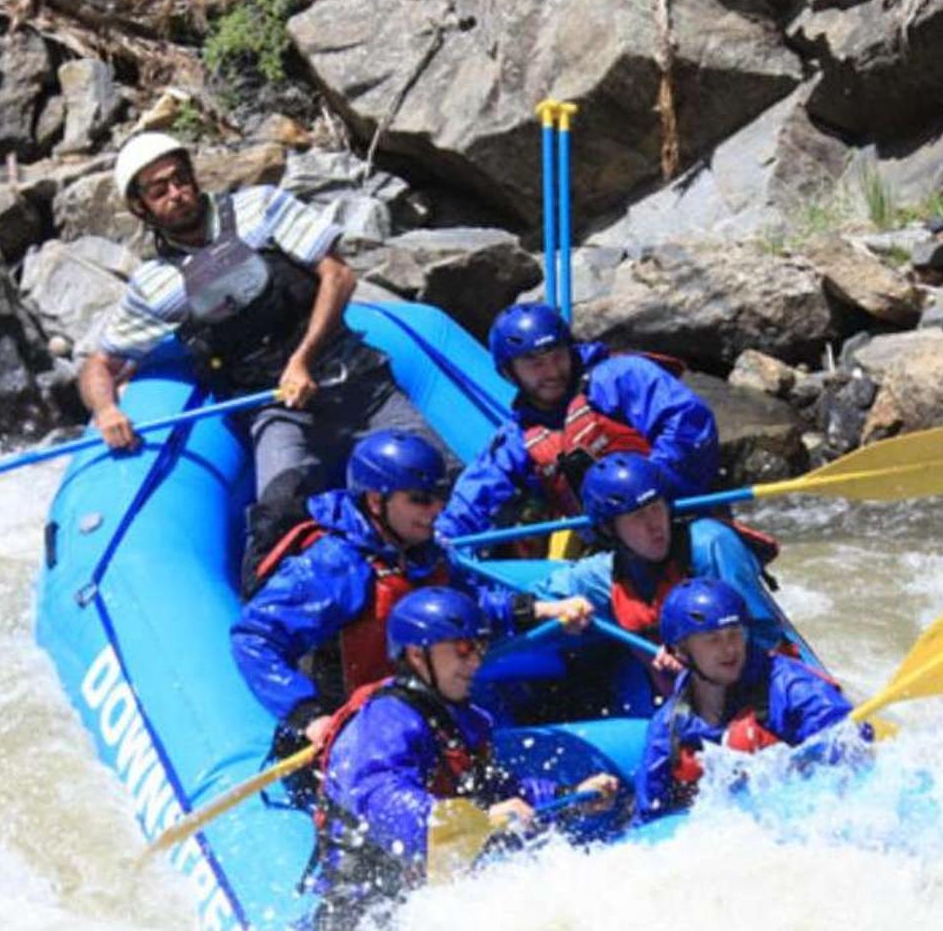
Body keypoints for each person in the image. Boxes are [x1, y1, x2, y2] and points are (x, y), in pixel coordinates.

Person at [78, 132, 445, 579]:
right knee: (277, 520)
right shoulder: (156, 286)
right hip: (276, 409)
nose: (177, 193)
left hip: (355, 379)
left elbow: (338, 276)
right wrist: (106, 410)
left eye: (180, 179)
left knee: (441, 476)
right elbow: (100, 364)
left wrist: (302, 360)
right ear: (142, 208)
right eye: (160, 190)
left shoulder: (261, 208)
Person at [232, 430, 595, 762]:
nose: (436, 511)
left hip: (423, 710)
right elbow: (254, 638)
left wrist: (539, 610)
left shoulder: (424, 550)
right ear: (376, 501)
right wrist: (310, 716)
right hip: (357, 734)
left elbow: (466, 607)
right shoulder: (334, 565)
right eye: (420, 499)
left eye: (439, 497)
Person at [313, 589, 618, 926]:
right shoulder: (387, 718)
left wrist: (569, 797)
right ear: (417, 654)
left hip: (425, 897)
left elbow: (498, 791)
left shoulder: (462, 720)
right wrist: (473, 820)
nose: (475, 662)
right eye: (462, 649)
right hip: (362, 908)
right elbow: (382, 798)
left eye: (479, 648)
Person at [433, 302, 718, 545]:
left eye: (557, 355)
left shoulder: (619, 377)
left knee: (710, 541)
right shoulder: (518, 438)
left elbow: (689, 422)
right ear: (509, 373)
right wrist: (441, 537)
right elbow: (476, 494)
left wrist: (650, 489)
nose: (552, 371)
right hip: (611, 552)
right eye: (534, 363)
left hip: (680, 519)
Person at [531, 452, 793, 685]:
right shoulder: (602, 575)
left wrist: (694, 662)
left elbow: (765, 638)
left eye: (656, 508)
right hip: (683, 696)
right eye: (637, 516)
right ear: (609, 529)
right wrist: (539, 610)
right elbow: (531, 599)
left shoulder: (710, 545)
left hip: (761, 682)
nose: (654, 525)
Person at [633, 578, 866, 821]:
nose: (729, 649)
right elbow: (649, 817)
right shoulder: (668, 726)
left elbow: (853, 743)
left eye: (735, 634)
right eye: (713, 639)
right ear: (681, 651)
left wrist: (799, 765)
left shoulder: (793, 686)